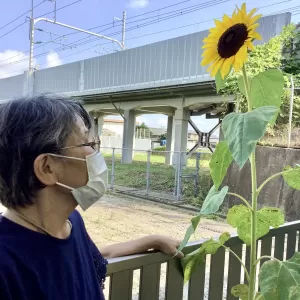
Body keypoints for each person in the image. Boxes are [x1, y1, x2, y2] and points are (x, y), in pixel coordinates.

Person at [0, 95, 183, 300]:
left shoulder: (70, 224)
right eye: (87, 142)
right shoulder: (5, 263)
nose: (96, 151)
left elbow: (89, 259)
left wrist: (150, 240)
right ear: (47, 167)